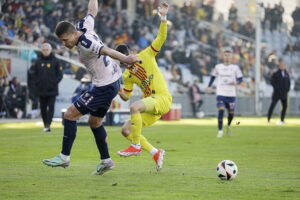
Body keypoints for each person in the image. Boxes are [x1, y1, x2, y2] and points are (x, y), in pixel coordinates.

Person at [42, 0, 139, 175]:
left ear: (72, 35)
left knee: (70, 115)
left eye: (65, 40)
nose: (64, 44)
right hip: (110, 81)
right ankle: (106, 160)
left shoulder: (86, 43)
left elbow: (107, 50)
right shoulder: (83, 25)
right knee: (94, 122)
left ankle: (64, 157)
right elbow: (92, 10)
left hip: (104, 85)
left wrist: (126, 59)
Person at [116, 2, 172, 171]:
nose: (125, 64)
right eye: (122, 62)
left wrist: (163, 18)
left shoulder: (146, 54)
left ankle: (135, 146)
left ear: (132, 53)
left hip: (162, 98)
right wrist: (116, 88)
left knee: (134, 107)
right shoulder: (127, 75)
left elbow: (161, 39)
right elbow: (126, 95)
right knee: (126, 130)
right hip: (150, 106)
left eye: (125, 59)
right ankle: (155, 152)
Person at [206, 48, 244, 138]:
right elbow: (213, 76)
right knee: (221, 110)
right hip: (221, 93)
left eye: (229, 55)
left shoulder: (235, 68)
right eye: (225, 55)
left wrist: (237, 83)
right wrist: (209, 85)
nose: (227, 57)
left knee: (231, 113)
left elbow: (240, 78)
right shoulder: (218, 67)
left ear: (231, 57)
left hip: (231, 94)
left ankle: (229, 125)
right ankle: (220, 131)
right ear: (223, 56)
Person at [31, 43, 63, 131]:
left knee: (51, 107)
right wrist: (38, 83)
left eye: (46, 50)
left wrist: (53, 83)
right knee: (43, 108)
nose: (45, 51)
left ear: (50, 50)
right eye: (43, 50)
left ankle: (48, 124)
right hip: (41, 89)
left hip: (52, 90)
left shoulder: (56, 61)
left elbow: (60, 75)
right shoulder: (38, 61)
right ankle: (45, 125)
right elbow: (34, 74)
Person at [267, 59, 290, 125]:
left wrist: (287, 90)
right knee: (272, 106)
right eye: (281, 65)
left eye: (283, 65)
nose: (282, 66)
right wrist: (276, 89)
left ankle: (282, 119)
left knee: (285, 106)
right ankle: (268, 118)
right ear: (279, 66)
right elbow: (272, 82)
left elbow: (288, 82)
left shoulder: (286, 73)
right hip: (277, 93)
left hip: (284, 94)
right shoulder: (276, 73)